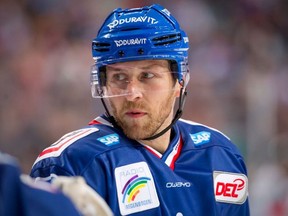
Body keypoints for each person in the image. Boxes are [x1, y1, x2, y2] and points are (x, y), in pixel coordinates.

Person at [30, 4, 250, 215]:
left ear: (179, 82)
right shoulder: (72, 162)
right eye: (119, 77)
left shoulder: (221, 155)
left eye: (148, 76)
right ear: (103, 85)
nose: (132, 92)